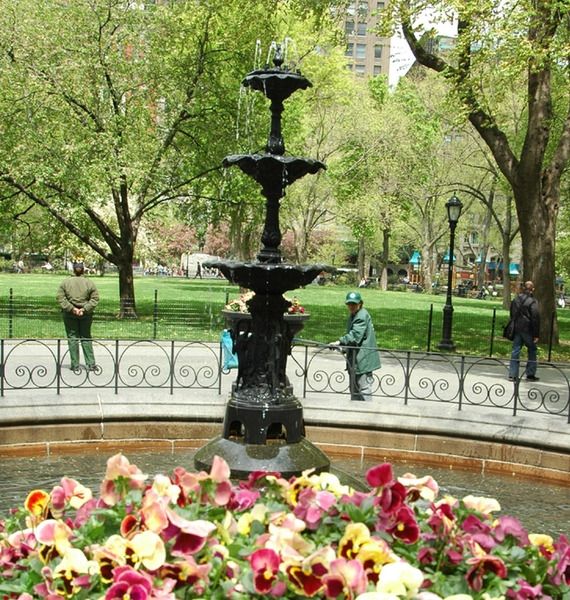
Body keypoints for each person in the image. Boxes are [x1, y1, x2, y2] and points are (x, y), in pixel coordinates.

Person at [329, 291, 381, 401]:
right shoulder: (355, 315)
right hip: (356, 358)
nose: (351, 306)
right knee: (354, 389)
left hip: (363, 359)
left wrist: (339, 342)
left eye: (354, 304)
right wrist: (343, 348)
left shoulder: (361, 316)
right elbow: (356, 339)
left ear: (360, 303)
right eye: (349, 304)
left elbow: (355, 336)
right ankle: (355, 412)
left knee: (364, 389)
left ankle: (367, 413)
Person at [56, 259, 100, 371]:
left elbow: (60, 298)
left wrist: (72, 308)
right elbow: (95, 299)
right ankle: (91, 364)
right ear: (83, 269)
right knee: (86, 337)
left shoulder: (65, 283)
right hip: (85, 314)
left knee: (72, 338)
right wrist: (84, 309)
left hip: (69, 314)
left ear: (73, 269)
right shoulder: (89, 283)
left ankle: (75, 365)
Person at [508, 280, 540, 382]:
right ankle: (530, 374)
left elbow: (512, 313)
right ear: (533, 289)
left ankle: (513, 374)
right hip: (528, 329)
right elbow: (535, 318)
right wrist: (536, 334)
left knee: (515, 350)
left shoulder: (516, 299)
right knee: (532, 350)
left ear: (523, 288)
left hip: (517, 328)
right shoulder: (532, 301)